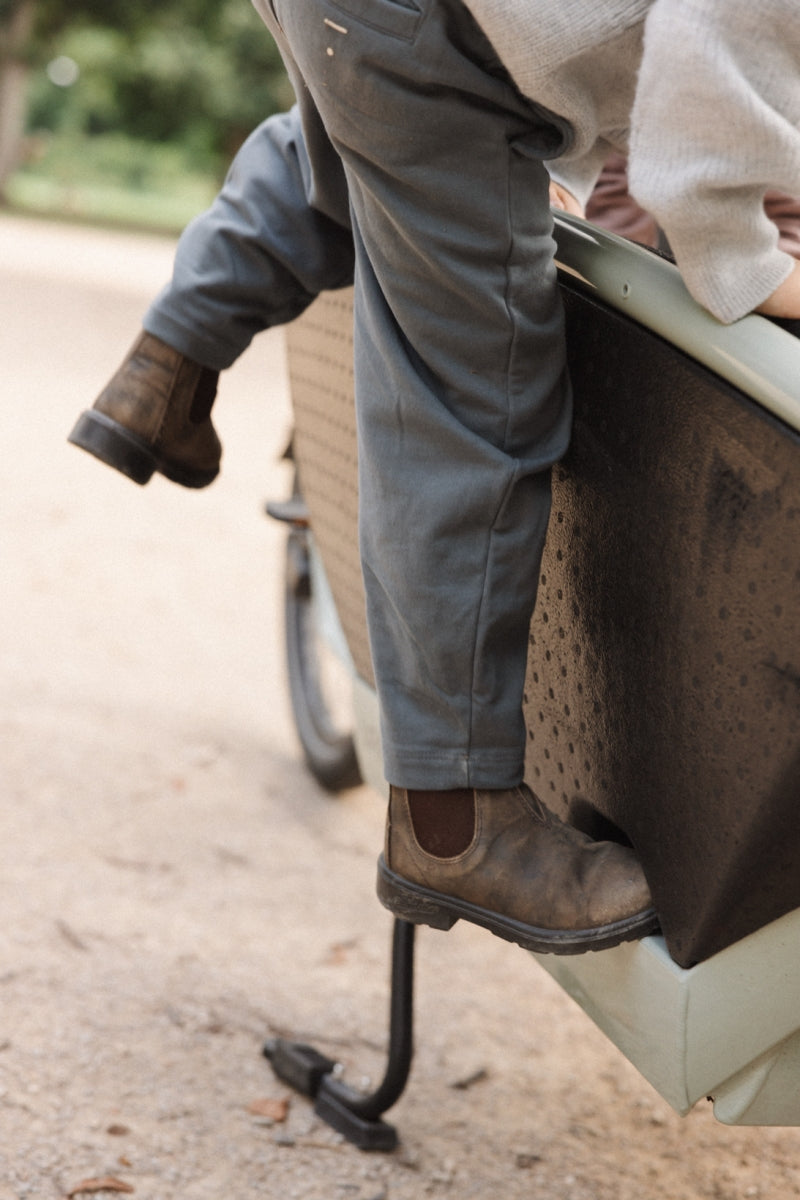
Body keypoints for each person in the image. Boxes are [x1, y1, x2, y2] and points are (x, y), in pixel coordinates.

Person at [68, 0, 800, 956]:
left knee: (347, 151)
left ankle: (166, 370)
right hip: (431, 30)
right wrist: (748, 268)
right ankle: (453, 825)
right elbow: (713, 58)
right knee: (479, 401)